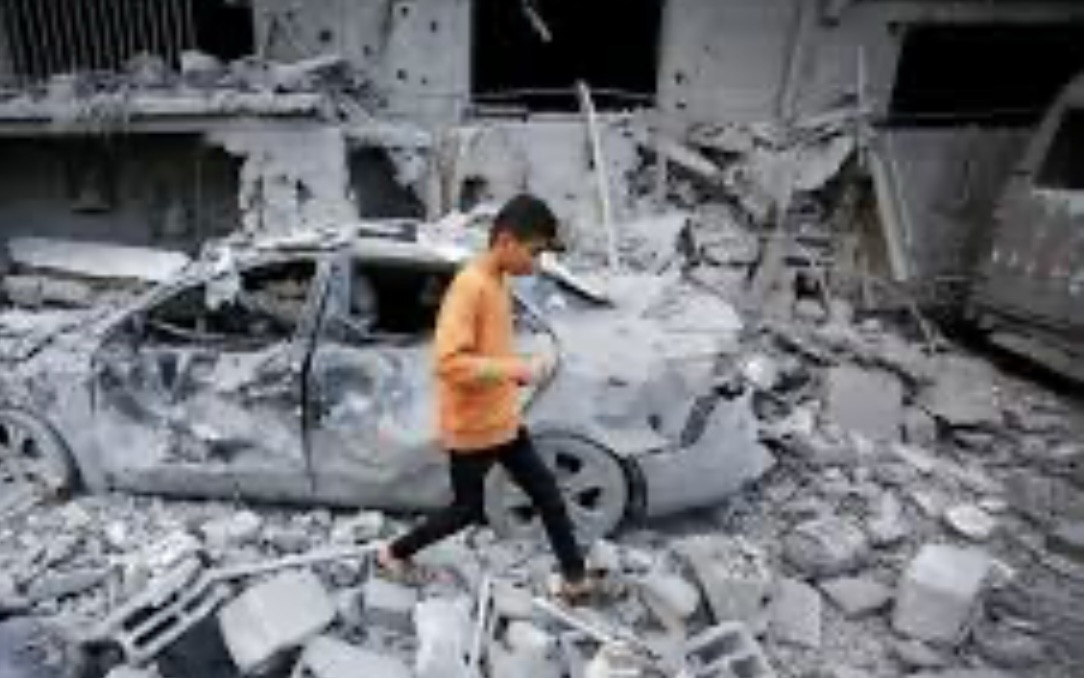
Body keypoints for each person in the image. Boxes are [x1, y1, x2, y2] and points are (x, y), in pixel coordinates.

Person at [378, 194, 596, 601]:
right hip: (473, 429)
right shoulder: (470, 287)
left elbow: (486, 353)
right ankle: (393, 553)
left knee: (548, 495)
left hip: (501, 420)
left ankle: (575, 580)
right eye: (535, 252)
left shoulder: (497, 281)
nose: (538, 263)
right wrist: (518, 370)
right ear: (506, 242)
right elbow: (449, 363)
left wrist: (516, 373)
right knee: (466, 510)